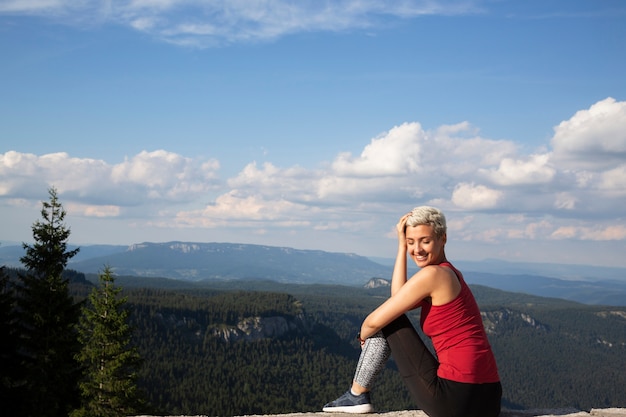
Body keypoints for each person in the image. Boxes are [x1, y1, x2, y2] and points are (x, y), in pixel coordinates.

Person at [323, 206, 502, 417]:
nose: (417, 249)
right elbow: (399, 296)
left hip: (455, 400)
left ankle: (357, 394)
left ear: (443, 238)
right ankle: (356, 395)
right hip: (489, 400)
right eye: (411, 242)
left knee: (387, 320)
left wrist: (363, 336)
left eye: (425, 240)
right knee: (392, 313)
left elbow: (375, 321)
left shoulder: (433, 275)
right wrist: (401, 246)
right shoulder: (450, 272)